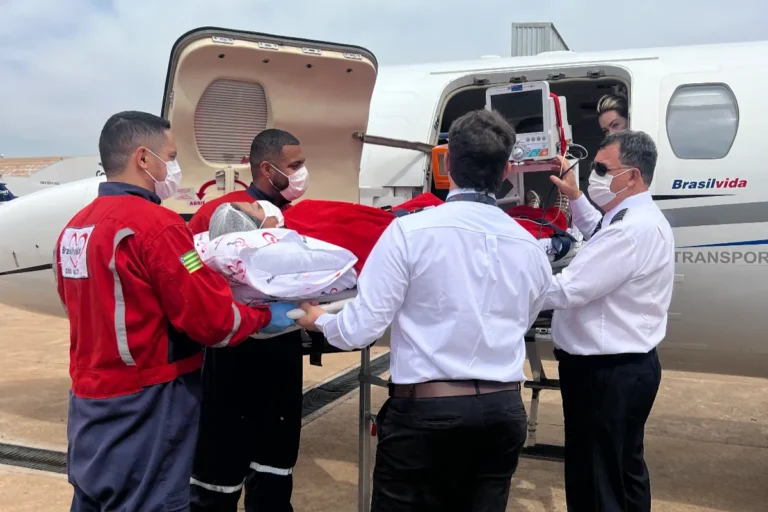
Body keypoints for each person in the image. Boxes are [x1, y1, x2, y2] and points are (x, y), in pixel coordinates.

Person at [296, 109, 553, 512]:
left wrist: (320, 321)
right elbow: (528, 312)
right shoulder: (529, 245)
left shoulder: (410, 232)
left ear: (447, 163)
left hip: (428, 414)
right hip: (503, 413)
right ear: (506, 171)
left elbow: (361, 329)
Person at [54, 111, 295, 511]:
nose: (175, 168)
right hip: (148, 400)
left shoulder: (76, 228)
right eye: (172, 155)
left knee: (94, 499)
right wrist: (269, 316)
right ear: (144, 159)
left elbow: (74, 303)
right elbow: (212, 320)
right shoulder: (157, 227)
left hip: (89, 401)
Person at [545, 130, 674, 512]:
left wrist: (509, 276)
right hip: (628, 369)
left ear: (632, 176)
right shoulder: (635, 218)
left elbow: (566, 291)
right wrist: (575, 198)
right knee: (622, 470)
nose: (593, 175)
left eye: (603, 168)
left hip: (603, 375)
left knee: (596, 480)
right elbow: (599, 235)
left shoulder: (630, 232)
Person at [189, 129, 311, 512]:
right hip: (232, 351)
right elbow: (186, 261)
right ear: (266, 168)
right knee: (219, 464)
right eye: (295, 166)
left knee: (276, 461)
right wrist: (216, 289)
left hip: (283, 350)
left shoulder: (298, 217)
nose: (302, 173)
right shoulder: (219, 212)